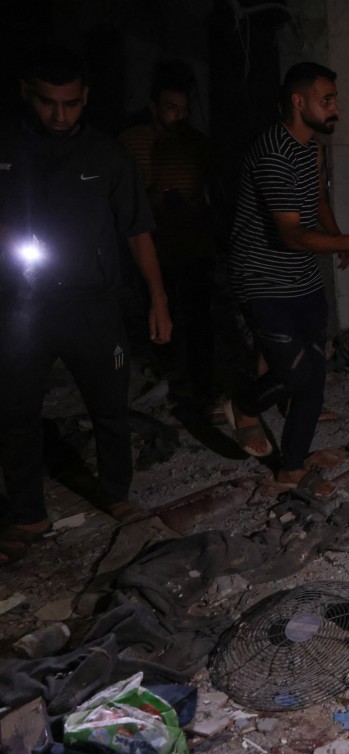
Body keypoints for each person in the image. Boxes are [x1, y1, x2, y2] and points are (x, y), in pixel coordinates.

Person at [0, 44, 173, 564]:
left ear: (86, 98)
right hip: (20, 307)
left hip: (94, 307)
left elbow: (138, 230)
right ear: (27, 94)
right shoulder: (6, 148)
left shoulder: (106, 155)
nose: (60, 114)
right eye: (48, 102)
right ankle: (28, 513)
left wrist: (158, 298)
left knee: (111, 408)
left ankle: (118, 495)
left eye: (71, 103)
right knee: (14, 413)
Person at [224, 62, 349, 498]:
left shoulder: (311, 149)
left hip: (302, 276)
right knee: (298, 375)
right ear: (298, 102)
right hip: (263, 280)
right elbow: (291, 233)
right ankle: (244, 405)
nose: (336, 107)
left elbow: (316, 200)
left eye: (335, 98)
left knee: (314, 374)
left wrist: (340, 239)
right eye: (328, 99)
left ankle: (292, 468)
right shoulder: (272, 152)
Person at [118, 60, 216, 413]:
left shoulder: (195, 144)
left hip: (193, 247)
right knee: (162, 316)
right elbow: (133, 200)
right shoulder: (137, 142)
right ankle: (173, 380)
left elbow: (205, 192)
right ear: (154, 108)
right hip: (155, 250)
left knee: (198, 319)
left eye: (183, 109)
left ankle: (200, 389)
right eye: (171, 108)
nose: (179, 116)